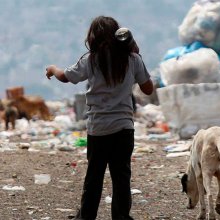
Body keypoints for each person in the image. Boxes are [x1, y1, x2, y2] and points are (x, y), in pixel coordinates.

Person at [45, 16, 153, 220]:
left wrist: (52, 69)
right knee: (121, 177)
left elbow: (66, 77)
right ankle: (121, 216)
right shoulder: (133, 59)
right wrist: (135, 51)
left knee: (94, 177)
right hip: (123, 128)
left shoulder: (90, 59)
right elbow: (148, 89)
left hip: (98, 129)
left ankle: (86, 216)